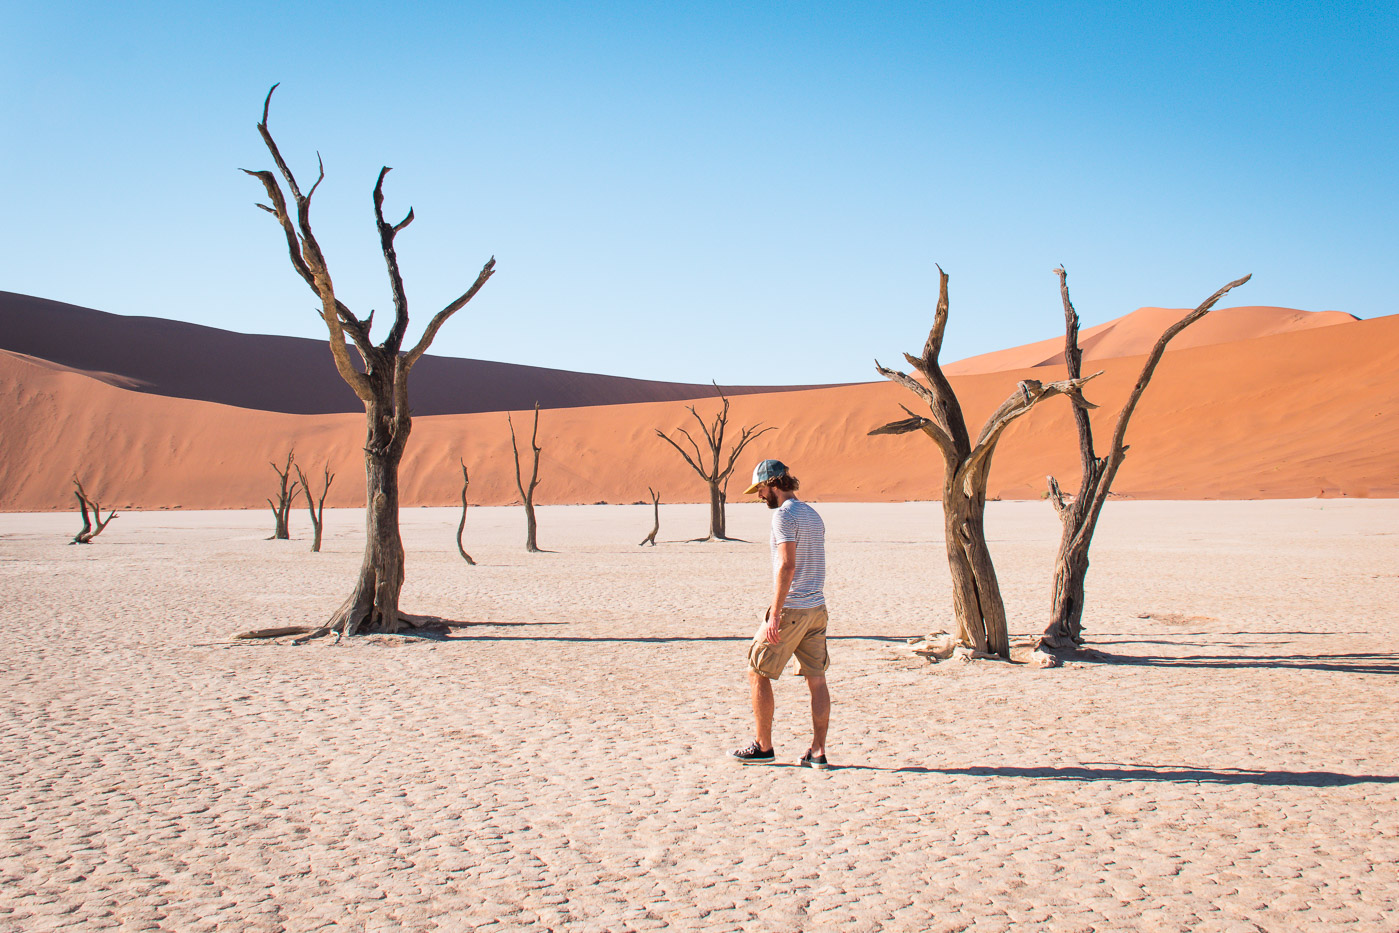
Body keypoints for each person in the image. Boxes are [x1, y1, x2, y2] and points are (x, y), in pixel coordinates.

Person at [729, 459, 831, 769]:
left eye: (760, 488)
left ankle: (764, 746)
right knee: (817, 678)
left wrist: (775, 614)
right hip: (816, 608)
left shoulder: (784, 516)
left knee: (756, 669)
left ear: (773, 483)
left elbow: (787, 565)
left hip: (792, 609)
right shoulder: (812, 514)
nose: (759, 495)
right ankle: (818, 751)